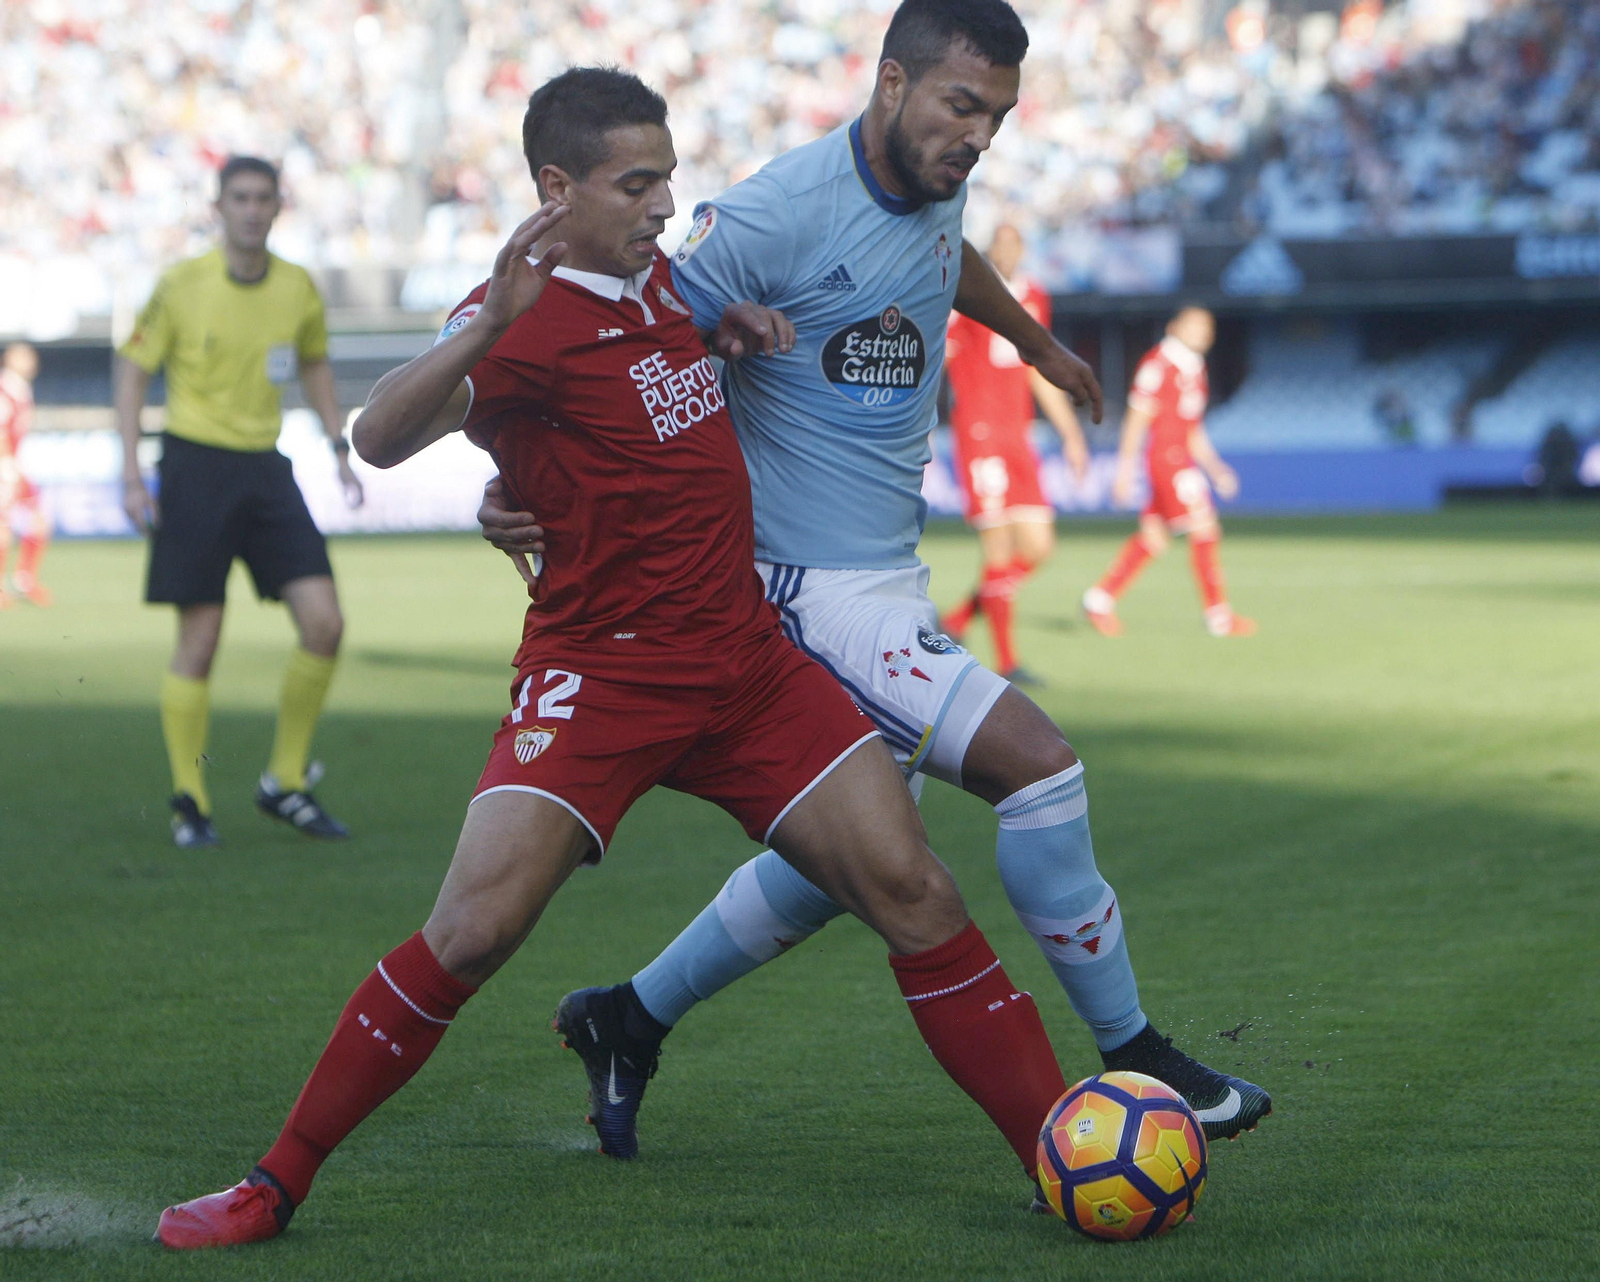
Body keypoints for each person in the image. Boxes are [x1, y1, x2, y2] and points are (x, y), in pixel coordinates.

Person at [154, 68, 1072, 1250]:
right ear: (557, 188)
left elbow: (644, 408)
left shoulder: (663, 285)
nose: (661, 204)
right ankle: (271, 1184)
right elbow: (376, 436)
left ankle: (1063, 1158)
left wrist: (726, 332)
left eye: (667, 179)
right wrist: (489, 324)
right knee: (471, 934)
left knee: (914, 889)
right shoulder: (519, 314)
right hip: (602, 679)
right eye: (636, 185)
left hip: (744, 667)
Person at [481, 0, 1269, 1171]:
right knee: (1040, 769)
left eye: (995, 116)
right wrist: (515, 482)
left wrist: (1034, 345)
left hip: (886, 576)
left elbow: (945, 260)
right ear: (890, 81)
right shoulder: (773, 213)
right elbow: (620, 335)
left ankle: (626, 1016)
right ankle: (1137, 1053)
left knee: (843, 861)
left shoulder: (934, 181)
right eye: (960, 106)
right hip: (799, 589)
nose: (978, 137)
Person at [114, 156, 364, 848]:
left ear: (279, 207)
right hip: (194, 466)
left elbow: (314, 361)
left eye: (263, 198)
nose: (252, 210)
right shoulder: (182, 284)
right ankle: (190, 800)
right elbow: (132, 371)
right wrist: (132, 473)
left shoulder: (297, 286)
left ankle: (284, 781)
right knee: (200, 640)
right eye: (240, 198)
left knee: (325, 623)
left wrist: (338, 446)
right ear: (218, 208)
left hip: (265, 467)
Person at [938, 224, 1088, 684]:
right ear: (987, 251)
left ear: (1023, 249)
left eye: (1013, 243)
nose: (1005, 251)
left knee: (1039, 546)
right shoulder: (968, 296)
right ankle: (1007, 663)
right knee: (999, 548)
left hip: (1017, 436)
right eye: (998, 244)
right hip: (980, 432)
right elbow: (939, 356)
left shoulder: (1034, 295)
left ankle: (958, 618)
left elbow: (1038, 367)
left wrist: (1071, 433)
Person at [1082, 306, 1256, 638]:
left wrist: (1215, 468)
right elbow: (1137, 419)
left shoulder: (1194, 367)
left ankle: (1099, 600)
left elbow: (1192, 428)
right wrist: (1124, 471)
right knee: (1205, 529)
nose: (1201, 333)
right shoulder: (1158, 365)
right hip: (1167, 461)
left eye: (1206, 328)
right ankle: (1218, 616)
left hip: (1180, 459)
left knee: (1154, 538)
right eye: (1193, 326)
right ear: (1174, 327)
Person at [0, 342, 51, 608]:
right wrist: (7, 465)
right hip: (5, 466)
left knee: (39, 518)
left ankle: (25, 580)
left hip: (16, 465)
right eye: (24, 356)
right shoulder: (4, 390)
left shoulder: (21, 389)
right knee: (3, 526)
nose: (32, 361)